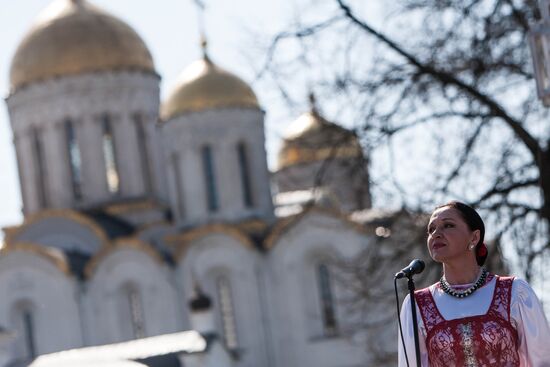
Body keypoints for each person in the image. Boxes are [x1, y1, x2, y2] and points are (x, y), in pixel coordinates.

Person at [398, 201, 550, 367]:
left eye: (448, 225)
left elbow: (542, 361)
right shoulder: (417, 305)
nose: (436, 234)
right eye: (431, 229)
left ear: (474, 237)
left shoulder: (515, 292)